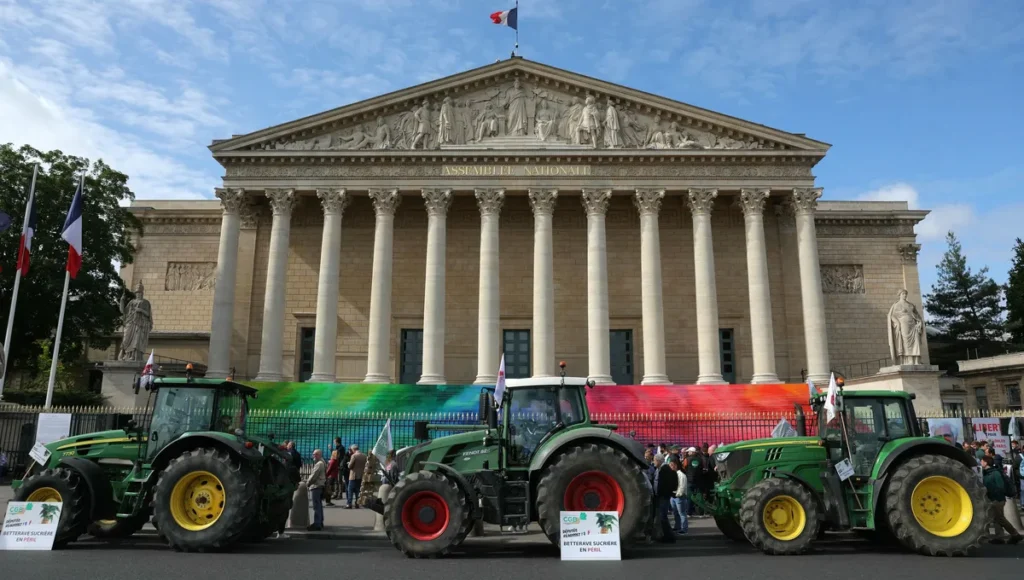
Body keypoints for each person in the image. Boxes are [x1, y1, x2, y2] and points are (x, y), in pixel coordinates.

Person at [652, 454, 676, 543]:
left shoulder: (664, 469)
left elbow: (666, 483)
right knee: (661, 517)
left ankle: (669, 537)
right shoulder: (660, 469)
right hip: (660, 496)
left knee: (663, 517)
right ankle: (666, 535)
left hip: (663, 496)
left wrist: (663, 493)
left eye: (654, 460)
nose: (653, 462)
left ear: (658, 461)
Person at [306, 449, 327, 531]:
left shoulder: (319, 464)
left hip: (316, 486)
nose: (313, 456)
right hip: (320, 485)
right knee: (319, 505)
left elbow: (314, 476)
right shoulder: (323, 462)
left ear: (318, 455)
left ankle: (317, 523)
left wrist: (307, 483)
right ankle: (320, 521)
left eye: (314, 454)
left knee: (316, 506)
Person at [669, 456, 688, 534]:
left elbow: (682, 486)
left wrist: (678, 494)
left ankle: (684, 529)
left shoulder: (681, 475)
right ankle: (677, 527)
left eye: (672, 464)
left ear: (676, 465)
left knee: (682, 513)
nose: (670, 466)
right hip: (673, 496)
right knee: (675, 513)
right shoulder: (673, 473)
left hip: (679, 496)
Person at [346, 444, 367, 509]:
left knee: (350, 490)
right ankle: (357, 503)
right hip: (361, 475)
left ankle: (349, 504)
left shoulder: (354, 456)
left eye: (352, 450)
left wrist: (348, 463)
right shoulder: (364, 456)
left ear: (354, 449)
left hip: (353, 476)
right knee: (358, 491)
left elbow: (350, 466)